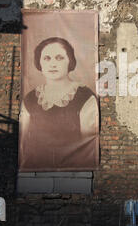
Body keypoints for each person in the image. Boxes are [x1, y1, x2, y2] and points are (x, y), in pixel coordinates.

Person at [19, 37, 99, 171]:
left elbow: (89, 145)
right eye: (47, 58)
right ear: (39, 63)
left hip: (74, 171)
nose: (52, 64)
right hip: (36, 169)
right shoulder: (30, 99)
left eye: (59, 58)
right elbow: (22, 142)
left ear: (70, 61)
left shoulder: (85, 97)